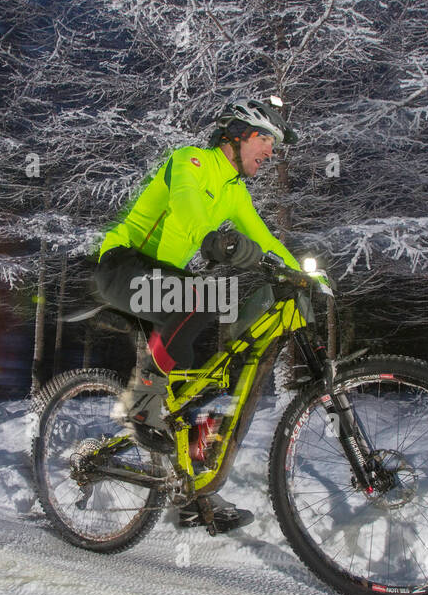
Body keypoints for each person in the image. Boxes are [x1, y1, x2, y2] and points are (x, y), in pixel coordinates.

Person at [92, 97, 309, 532]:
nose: (270, 152)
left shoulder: (234, 192)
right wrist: (214, 241)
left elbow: (264, 238)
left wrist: (304, 276)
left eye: (274, 145)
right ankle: (143, 406)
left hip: (163, 282)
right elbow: (189, 207)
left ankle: (191, 493)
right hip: (122, 264)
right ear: (240, 134)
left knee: (198, 380)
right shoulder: (190, 160)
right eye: (266, 140)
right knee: (207, 298)